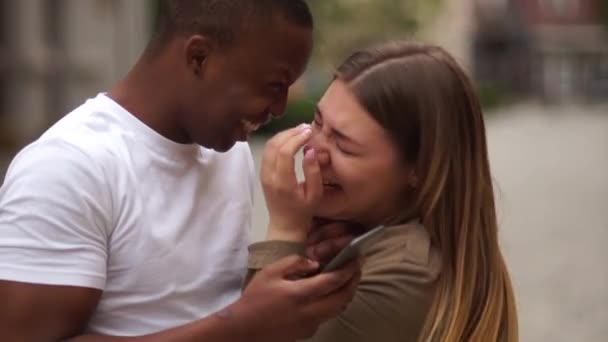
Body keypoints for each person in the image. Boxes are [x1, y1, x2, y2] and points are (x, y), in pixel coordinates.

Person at [0, 1, 360, 341]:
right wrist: (241, 325)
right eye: (274, 85)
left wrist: (298, 255)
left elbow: (212, 308)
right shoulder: (70, 167)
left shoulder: (225, 151)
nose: (280, 109)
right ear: (199, 57)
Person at [248, 41, 519, 342]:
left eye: (343, 144)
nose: (312, 152)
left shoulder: (406, 275)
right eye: (317, 122)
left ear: (419, 168)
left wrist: (285, 230)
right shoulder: (366, 243)